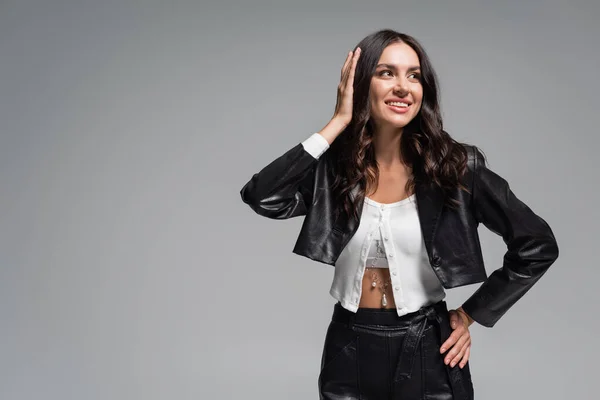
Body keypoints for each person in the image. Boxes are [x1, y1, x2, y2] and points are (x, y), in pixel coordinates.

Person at [239, 29, 559, 400]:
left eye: (414, 75)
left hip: (427, 347)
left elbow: (537, 244)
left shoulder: (456, 168)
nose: (403, 87)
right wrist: (336, 124)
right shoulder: (334, 170)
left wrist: (471, 314)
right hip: (348, 346)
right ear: (360, 85)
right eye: (386, 72)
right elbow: (261, 196)